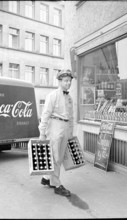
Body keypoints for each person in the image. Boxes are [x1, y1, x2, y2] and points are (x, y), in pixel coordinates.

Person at [38, 69, 74, 197]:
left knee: (60, 154)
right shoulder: (52, 95)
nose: (68, 83)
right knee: (55, 157)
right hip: (54, 125)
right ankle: (57, 185)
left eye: (69, 81)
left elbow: (71, 116)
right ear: (59, 81)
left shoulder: (69, 98)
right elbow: (45, 114)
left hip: (64, 127)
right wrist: (42, 132)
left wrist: (70, 131)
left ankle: (46, 178)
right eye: (65, 81)